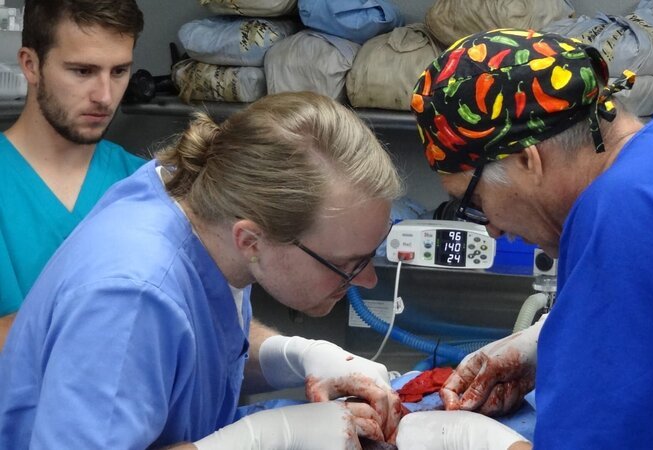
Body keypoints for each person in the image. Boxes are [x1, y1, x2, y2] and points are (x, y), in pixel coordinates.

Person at [397, 28, 653, 449]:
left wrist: (472, 440)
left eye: (473, 200)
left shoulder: (624, 212)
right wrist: (555, 341)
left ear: (526, 159)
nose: (492, 229)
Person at [0, 91, 405, 449]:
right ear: (250, 241)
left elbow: (195, 339)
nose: (367, 280)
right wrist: (266, 438)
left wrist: (296, 356)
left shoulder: (204, 203)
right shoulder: (129, 298)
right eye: (347, 264)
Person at [0, 0, 147, 350]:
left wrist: (286, 351)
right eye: (82, 71)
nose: (105, 96)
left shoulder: (146, 185)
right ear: (31, 65)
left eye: (119, 72)